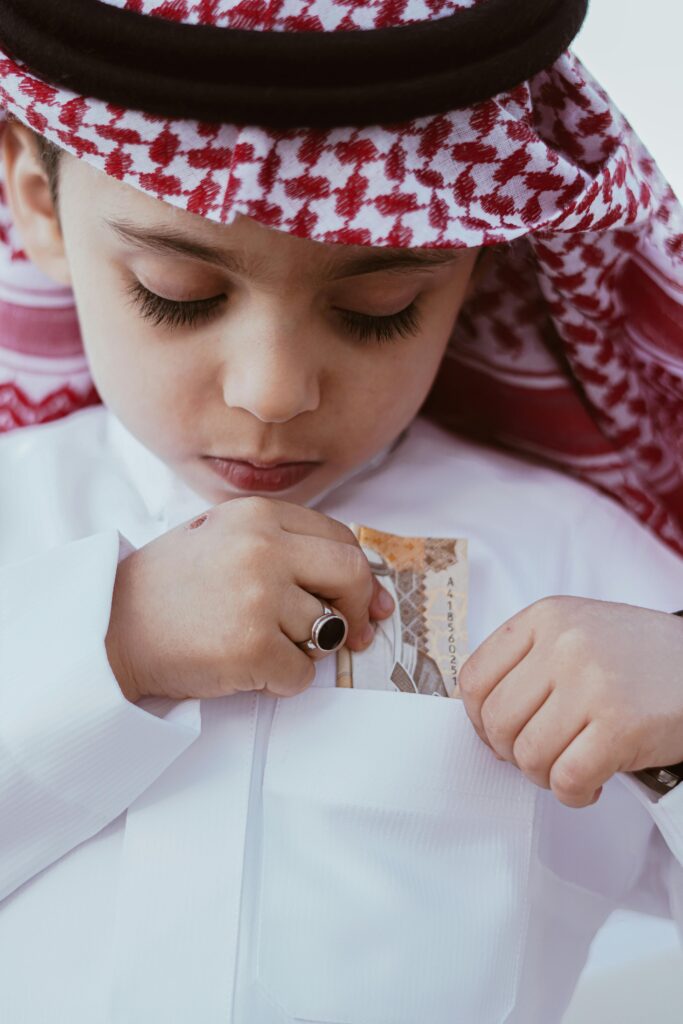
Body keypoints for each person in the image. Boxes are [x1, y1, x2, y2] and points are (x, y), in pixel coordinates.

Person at [0, 2, 681, 1021]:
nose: (272, 391)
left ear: (481, 256)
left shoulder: (581, 563)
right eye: (178, 291)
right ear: (37, 204)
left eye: (376, 309)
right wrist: (107, 641)